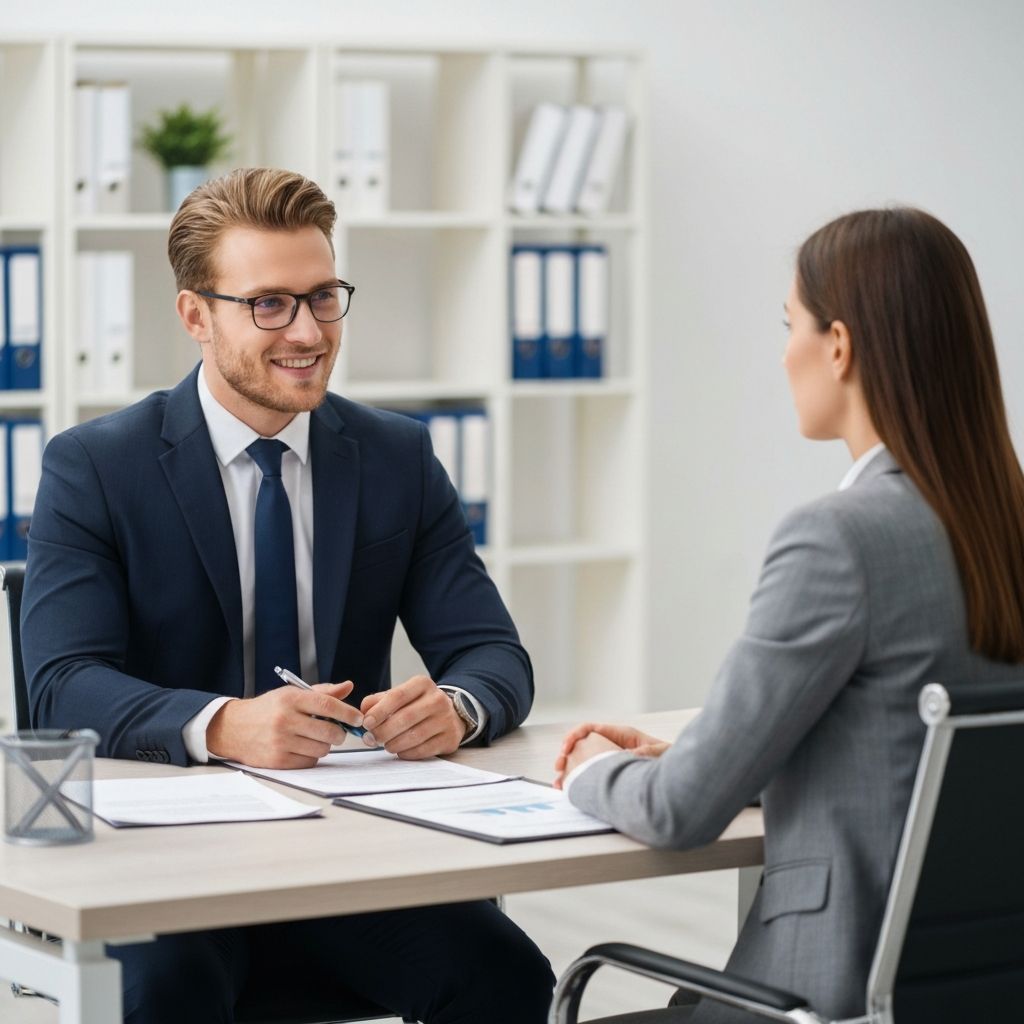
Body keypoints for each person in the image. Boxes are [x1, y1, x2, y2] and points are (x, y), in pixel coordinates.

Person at [22, 167, 554, 1023]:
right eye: (269, 303)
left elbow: (494, 653)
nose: (307, 331)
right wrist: (224, 724)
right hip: (162, 866)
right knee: (168, 989)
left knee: (506, 975)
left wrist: (455, 705)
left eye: (323, 297)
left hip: (346, 854)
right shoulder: (95, 466)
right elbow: (61, 682)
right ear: (197, 315)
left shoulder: (396, 458)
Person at [555, 208, 1024, 1023]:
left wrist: (591, 769)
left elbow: (678, 813)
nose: (783, 354)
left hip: (823, 995)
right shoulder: (1004, 524)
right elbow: (908, 755)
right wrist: (708, 752)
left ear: (838, 347)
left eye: (790, 326)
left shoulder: (839, 538)